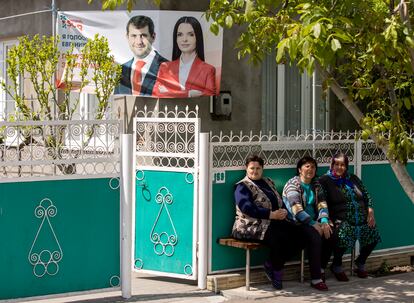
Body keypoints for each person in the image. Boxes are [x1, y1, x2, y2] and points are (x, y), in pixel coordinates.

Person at [232, 155, 302, 290]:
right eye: (252, 168)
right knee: (279, 237)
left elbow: (278, 202)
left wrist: (283, 212)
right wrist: (271, 215)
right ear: (246, 168)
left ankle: (271, 263)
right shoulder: (242, 186)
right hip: (249, 225)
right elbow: (247, 208)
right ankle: (277, 272)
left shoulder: (268, 182)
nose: (255, 171)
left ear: (262, 169)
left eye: (258, 168)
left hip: (272, 221)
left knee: (300, 233)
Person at [319, 152, 381, 281]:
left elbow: (366, 194)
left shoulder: (353, 178)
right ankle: (336, 265)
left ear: (346, 166)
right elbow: (321, 200)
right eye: (336, 164)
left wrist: (370, 209)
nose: (339, 167)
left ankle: (360, 262)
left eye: (342, 165)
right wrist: (325, 218)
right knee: (344, 233)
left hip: (361, 218)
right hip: (341, 218)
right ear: (331, 165)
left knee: (373, 234)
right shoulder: (325, 180)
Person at [282, 156, 331, 291]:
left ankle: (321, 268)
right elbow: (296, 210)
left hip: (314, 221)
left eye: (313, 167)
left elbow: (322, 205)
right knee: (315, 236)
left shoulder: (316, 185)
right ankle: (316, 279)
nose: (310, 169)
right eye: (307, 166)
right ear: (299, 169)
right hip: (296, 223)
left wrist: (324, 222)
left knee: (331, 233)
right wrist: (313, 223)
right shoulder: (293, 185)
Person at [153, 16, 216, 98]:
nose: (184, 39)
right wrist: (189, 94)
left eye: (191, 34)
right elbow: (157, 93)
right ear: (176, 38)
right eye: (180, 35)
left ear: (198, 37)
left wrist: (169, 92)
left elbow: (210, 99)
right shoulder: (165, 67)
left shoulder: (208, 70)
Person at [114, 15, 168, 96]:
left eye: (143, 36)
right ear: (127, 37)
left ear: (153, 37)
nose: (139, 42)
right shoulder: (121, 70)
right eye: (134, 36)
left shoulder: (169, 68)